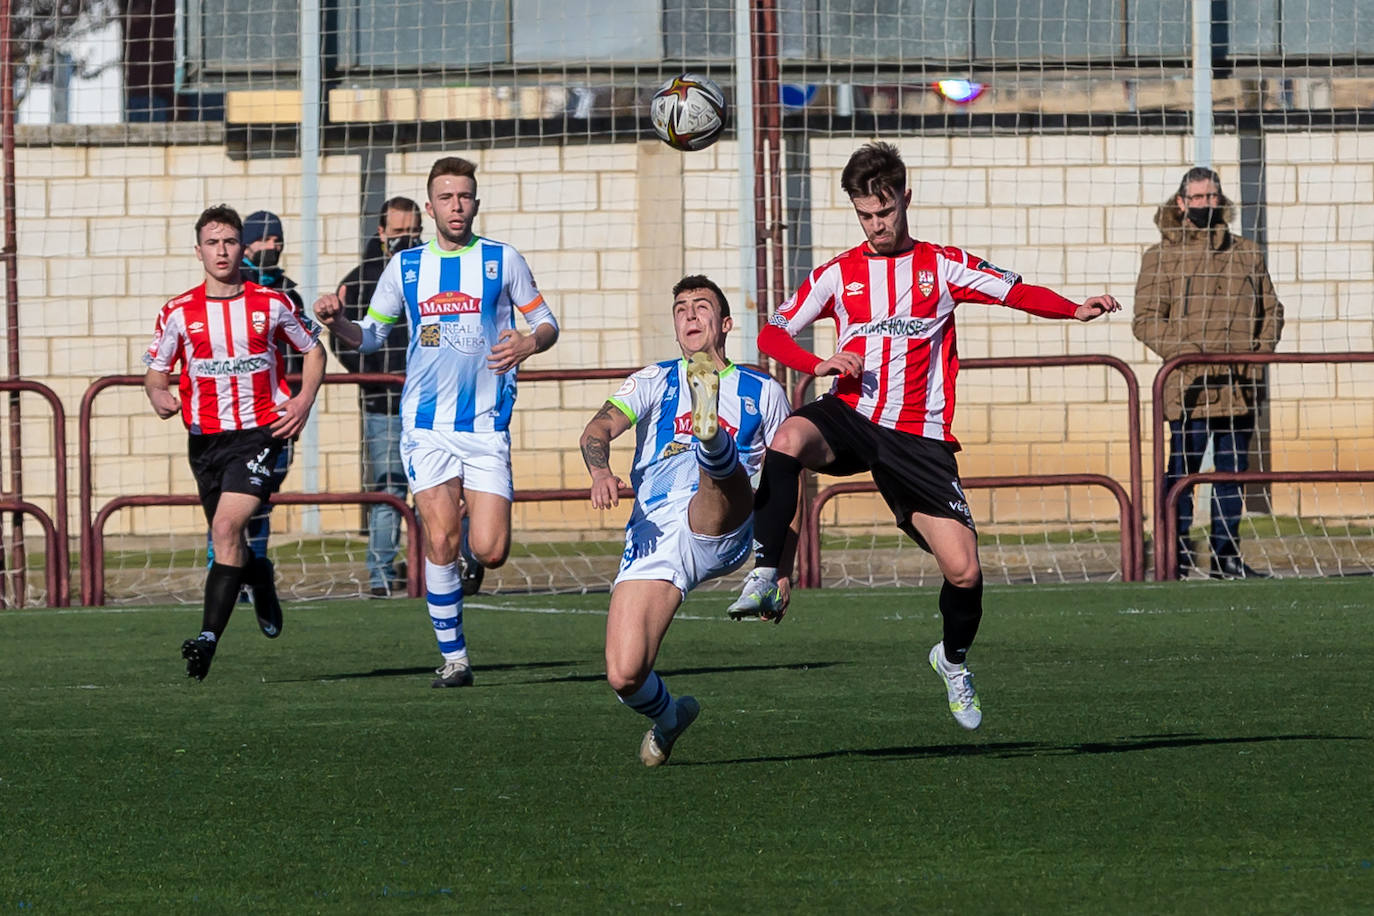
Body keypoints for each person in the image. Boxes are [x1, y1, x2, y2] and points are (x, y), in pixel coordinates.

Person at [727, 141, 1121, 731]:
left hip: (919, 439)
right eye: (865, 215)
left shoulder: (942, 265)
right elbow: (772, 333)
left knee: (964, 570)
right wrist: (819, 365)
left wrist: (1073, 309)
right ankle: (766, 572)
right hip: (852, 414)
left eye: (884, 212)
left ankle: (952, 661)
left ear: (906, 199)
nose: (876, 225)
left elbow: (1013, 291)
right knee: (787, 439)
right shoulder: (838, 273)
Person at [314, 156, 559, 688]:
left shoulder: (503, 260)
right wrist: (339, 324)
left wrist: (527, 342)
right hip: (424, 428)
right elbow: (372, 336)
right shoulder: (404, 269)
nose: (456, 205)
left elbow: (546, 322)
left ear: (476, 203)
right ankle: (455, 659)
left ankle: (471, 531)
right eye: (446, 198)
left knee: (490, 550)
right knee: (442, 540)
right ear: (430, 208)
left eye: (465, 196)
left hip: (485, 426)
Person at [580, 275, 790, 766]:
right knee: (624, 674)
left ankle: (711, 438)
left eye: (702, 307)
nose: (690, 315)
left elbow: (785, 486)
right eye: (681, 309)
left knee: (720, 474)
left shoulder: (764, 390)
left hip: (722, 522)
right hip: (653, 528)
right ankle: (670, 717)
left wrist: (778, 567)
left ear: (725, 324)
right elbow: (598, 428)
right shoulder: (653, 380)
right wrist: (600, 469)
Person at [144, 204, 325, 680]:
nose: (221, 251)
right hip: (205, 442)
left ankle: (206, 639)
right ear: (198, 250)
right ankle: (258, 576)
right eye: (212, 242)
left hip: (259, 433)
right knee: (232, 540)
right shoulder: (178, 312)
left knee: (224, 530)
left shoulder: (271, 303)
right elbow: (156, 374)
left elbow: (313, 350)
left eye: (229, 242)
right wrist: (159, 393)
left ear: (242, 248)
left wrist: (303, 400)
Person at [1133, 166, 1285, 580]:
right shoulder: (1160, 256)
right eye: (1197, 198)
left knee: (1232, 476)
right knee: (1181, 476)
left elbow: (1272, 311)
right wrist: (1187, 355)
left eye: (1211, 196)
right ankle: (1174, 557)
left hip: (1239, 387)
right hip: (1190, 387)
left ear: (1222, 200)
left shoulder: (1247, 252)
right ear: (1181, 202)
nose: (1205, 204)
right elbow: (1146, 320)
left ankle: (1226, 558)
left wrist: (1256, 353)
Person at [331, 196, 424, 597]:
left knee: (441, 493)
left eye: (412, 233)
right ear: (381, 233)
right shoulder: (363, 277)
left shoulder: (434, 271)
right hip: (383, 405)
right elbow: (343, 337)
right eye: (397, 233)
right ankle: (381, 577)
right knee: (389, 492)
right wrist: (370, 375)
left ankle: (436, 571)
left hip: (433, 404)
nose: (405, 240)